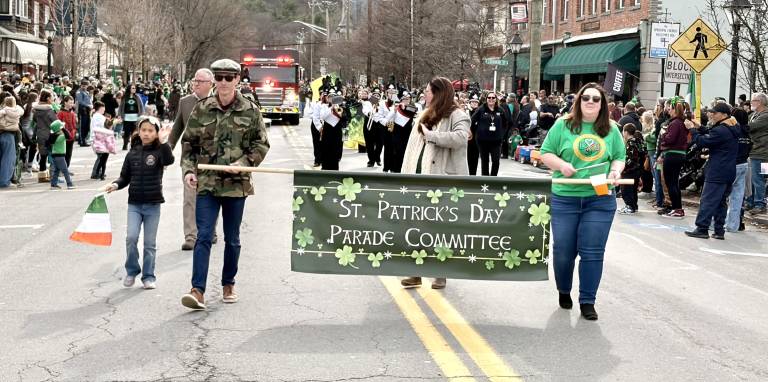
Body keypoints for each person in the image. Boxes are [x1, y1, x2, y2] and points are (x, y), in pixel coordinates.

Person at [180, 59, 270, 310]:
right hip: (207, 183)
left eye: (228, 78)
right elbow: (189, 145)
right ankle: (197, 290)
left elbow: (261, 144)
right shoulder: (202, 108)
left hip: (235, 184)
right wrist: (188, 171)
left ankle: (228, 283)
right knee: (204, 236)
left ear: (237, 80)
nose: (223, 83)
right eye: (218, 78)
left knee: (233, 239)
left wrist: (244, 161)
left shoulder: (250, 110)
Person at [540, 83, 626, 321]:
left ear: (602, 104)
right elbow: (545, 152)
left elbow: (619, 157)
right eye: (586, 98)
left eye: (595, 99)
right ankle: (564, 290)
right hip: (565, 198)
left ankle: (588, 300)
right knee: (564, 251)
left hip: (599, 199)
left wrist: (616, 172)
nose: (590, 102)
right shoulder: (563, 125)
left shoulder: (611, 129)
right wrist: (561, 165)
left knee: (592, 252)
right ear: (578, 101)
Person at [399, 76, 470, 290]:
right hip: (419, 177)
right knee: (416, 226)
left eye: (428, 91)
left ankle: (441, 273)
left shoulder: (458, 115)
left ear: (439, 93)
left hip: (442, 180)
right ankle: (415, 272)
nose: (424, 95)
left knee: (440, 228)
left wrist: (433, 136)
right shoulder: (424, 113)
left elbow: (460, 138)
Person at [104, 116, 174, 289]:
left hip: (153, 204)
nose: (146, 133)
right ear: (138, 131)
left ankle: (148, 276)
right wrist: (115, 184)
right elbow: (125, 177)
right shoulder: (132, 152)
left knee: (150, 243)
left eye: (151, 130)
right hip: (134, 204)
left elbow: (169, 160)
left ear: (157, 133)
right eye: (143, 130)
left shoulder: (159, 151)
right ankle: (131, 270)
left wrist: (164, 142)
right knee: (131, 238)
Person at [169, 68, 215, 251]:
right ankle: (190, 236)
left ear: (210, 84)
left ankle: (210, 231)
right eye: (194, 81)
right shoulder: (185, 102)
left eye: (199, 81)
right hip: (190, 158)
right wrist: (166, 150)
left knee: (211, 196)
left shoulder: (218, 101)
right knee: (190, 197)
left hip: (212, 158)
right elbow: (177, 128)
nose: (195, 84)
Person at [684, 103, 739, 239]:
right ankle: (719, 230)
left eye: (715, 113)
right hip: (729, 170)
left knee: (708, 200)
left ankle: (702, 228)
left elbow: (703, 142)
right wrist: (700, 127)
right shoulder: (732, 127)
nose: (711, 115)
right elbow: (712, 135)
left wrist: (693, 130)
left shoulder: (721, 130)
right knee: (721, 201)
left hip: (717, 170)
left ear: (724, 115)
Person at [657, 98, 688, 218]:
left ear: (675, 110)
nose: (668, 111)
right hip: (678, 154)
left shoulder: (675, 123)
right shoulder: (680, 122)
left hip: (673, 154)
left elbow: (670, 139)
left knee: (671, 183)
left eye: (670, 109)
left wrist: (663, 135)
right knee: (673, 183)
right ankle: (677, 208)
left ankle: (677, 208)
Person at [725, 108, 752, 232]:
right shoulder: (748, 133)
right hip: (744, 165)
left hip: (732, 164)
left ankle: (715, 222)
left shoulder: (733, 132)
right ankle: (733, 225)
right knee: (737, 198)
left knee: (722, 195)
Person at [471, 92, 506, 176]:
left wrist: (502, 134)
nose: (491, 99)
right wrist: (474, 132)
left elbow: (505, 123)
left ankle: (493, 178)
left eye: (493, 98)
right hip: (483, 140)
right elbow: (472, 120)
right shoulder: (481, 109)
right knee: (485, 161)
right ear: (486, 99)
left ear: (496, 99)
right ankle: (485, 180)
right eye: (489, 97)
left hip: (496, 141)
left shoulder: (500, 110)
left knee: (496, 160)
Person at [747, 93, 768, 215]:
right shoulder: (755, 114)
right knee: (755, 178)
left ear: (760, 102)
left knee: (759, 179)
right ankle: (752, 201)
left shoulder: (765, 116)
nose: (751, 103)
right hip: (755, 152)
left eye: (753, 101)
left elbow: (750, 127)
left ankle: (760, 203)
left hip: (762, 153)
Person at [618, 124, 646, 214]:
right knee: (634, 189)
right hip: (638, 170)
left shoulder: (630, 143)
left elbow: (630, 158)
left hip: (629, 170)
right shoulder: (639, 141)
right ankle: (634, 206)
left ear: (626, 132)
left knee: (626, 189)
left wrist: (623, 167)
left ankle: (629, 206)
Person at [33, 89, 57, 183]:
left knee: (43, 155)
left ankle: (42, 176)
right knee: (52, 154)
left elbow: (35, 120)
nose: (52, 99)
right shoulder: (49, 110)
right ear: (47, 98)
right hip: (49, 133)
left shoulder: (36, 110)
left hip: (40, 133)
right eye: (51, 97)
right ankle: (53, 175)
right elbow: (55, 122)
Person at [319, 91, 347, 170]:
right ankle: (325, 167)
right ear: (327, 99)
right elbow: (323, 116)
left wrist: (340, 111)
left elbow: (344, 119)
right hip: (328, 130)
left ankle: (335, 167)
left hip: (337, 130)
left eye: (333, 98)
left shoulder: (341, 107)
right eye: (330, 97)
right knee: (326, 148)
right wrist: (331, 108)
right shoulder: (324, 107)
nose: (331, 99)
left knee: (336, 149)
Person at [0, 95, 23, 188]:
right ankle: (4, 181)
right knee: (8, 160)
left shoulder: (3, 111)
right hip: (10, 135)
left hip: (1, 133)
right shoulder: (17, 111)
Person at [90, 102, 116, 180]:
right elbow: (106, 126)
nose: (104, 109)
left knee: (100, 157)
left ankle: (99, 172)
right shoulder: (99, 117)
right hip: (98, 138)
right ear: (100, 108)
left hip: (97, 137)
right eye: (103, 108)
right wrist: (113, 122)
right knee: (101, 157)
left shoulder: (96, 116)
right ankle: (95, 173)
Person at [48, 120, 75, 190]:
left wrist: (61, 128)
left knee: (57, 170)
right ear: (59, 130)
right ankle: (69, 184)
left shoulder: (54, 137)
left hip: (55, 156)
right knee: (65, 171)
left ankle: (53, 185)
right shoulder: (60, 137)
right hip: (59, 156)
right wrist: (63, 128)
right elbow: (69, 136)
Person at [119, 84, 145, 150]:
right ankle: (125, 145)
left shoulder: (137, 97)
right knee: (126, 132)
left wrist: (141, 116)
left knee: (135, 133)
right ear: (129, 89)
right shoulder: (125, 97)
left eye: (134, 88)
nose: (134, 89)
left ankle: (134, 146)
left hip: (135, 118)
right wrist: (120, 115)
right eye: (133, 88)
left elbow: (141, 107)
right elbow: (121, 107)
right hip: (126, 118)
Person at [57, 95, 78, 168]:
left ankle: (67, 168)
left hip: (71, 136)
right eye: (70, 102)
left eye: (72, 103)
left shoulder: (72, 113)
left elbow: (74, 124)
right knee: (63, 153)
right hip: (64, 136)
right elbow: (59, 124)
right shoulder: (60, 113)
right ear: (65, 102)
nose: (71, 104)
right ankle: (63, 169)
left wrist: (74, 131)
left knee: (69, 153)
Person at [75, 79, 93, 146]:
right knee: (82, 126)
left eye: (85, 86)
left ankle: (83, 139)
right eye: (83, 86)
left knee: (87, 126)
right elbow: (80, 101)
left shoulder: (87, 92)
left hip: (87, 110)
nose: (84, 87)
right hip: (82, 110)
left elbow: (89, 100)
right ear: (81, 85)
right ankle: (82, 141)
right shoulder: (79, 92)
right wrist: (88, 105)